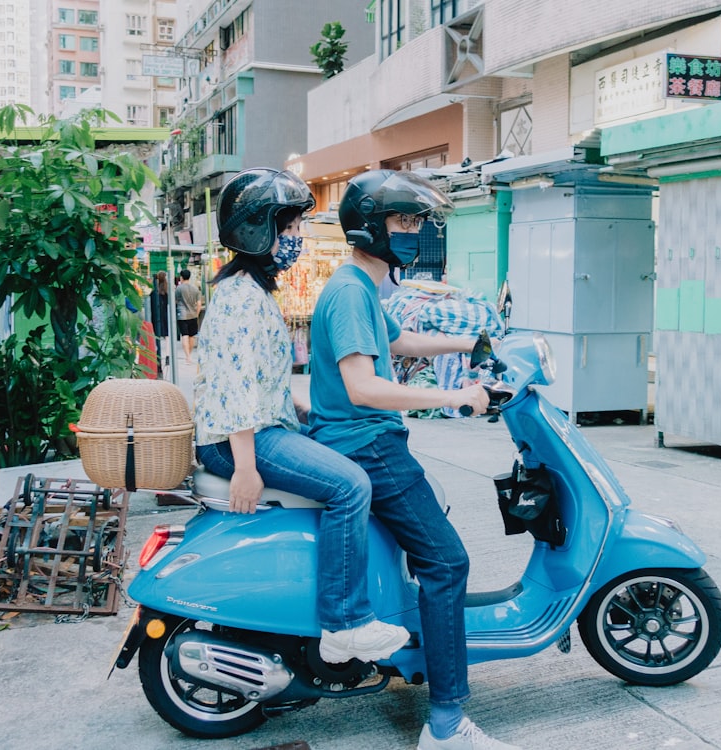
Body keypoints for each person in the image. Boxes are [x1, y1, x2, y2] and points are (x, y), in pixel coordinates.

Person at [308, 170, 518, 750]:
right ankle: (447, 723)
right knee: (447, 564)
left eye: (419, 222)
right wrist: (455, 396)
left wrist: (473, 344)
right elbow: (364, 388)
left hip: (366, 440)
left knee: (435, 551)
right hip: (367, 443)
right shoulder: (352, 292)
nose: (415, 232)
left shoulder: (360, 287)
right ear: (372, 227)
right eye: (404, 221)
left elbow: (397, 343)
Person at [193, 167, 410, 664]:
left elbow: (260, 380)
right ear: (257, 230)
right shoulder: (240, 300)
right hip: (239, 440)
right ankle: (344, 623)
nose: (296, 240)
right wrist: (246, 469)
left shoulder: (250, 291)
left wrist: (305, 409)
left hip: (258, 427)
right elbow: (235, 389)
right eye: (287, 228)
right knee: (351, 485)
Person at [174, 267, 202, 364]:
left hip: (182, 315)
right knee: (192, 336)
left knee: (184, 335)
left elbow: (175, 301)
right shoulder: (195, 289)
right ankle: (189, 355)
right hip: (193, 315)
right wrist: (196, 314)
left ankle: (188, 356)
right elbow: (199, 304)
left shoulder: (179, 288)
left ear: (181, 277)